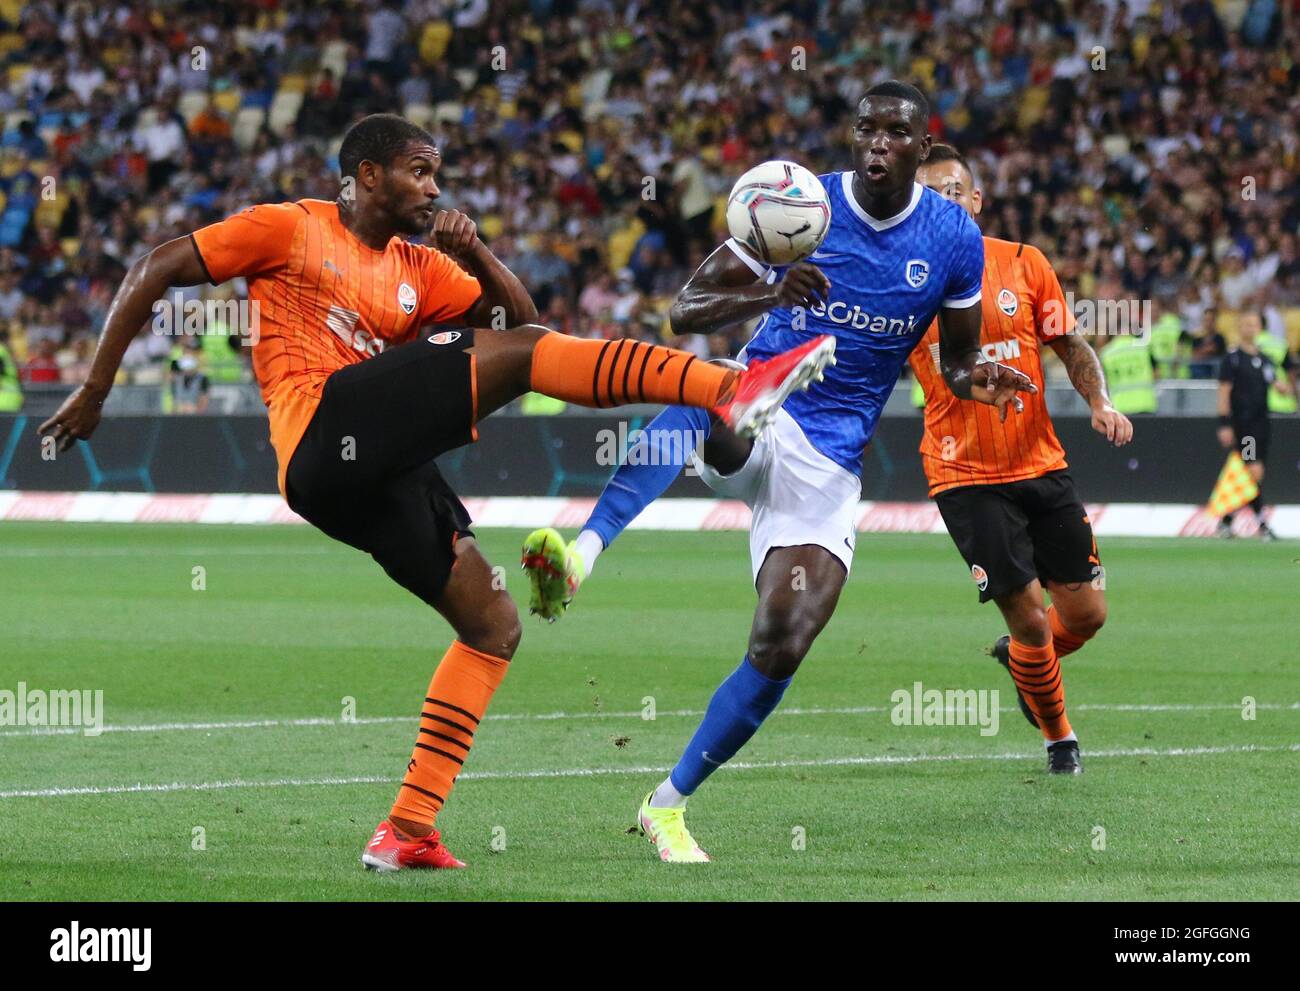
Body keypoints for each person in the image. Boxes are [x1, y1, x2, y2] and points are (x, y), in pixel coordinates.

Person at [37, 113, 837, 873]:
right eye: (419, 173)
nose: (433, 190)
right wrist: (97, 386)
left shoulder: (424, 267)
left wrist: (481, 256)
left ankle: (407, 829)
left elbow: (527, 330)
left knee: (492, 623)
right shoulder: (289, 226)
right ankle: (726, 388)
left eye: (437, 176)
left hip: (371, 475)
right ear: (366, 175)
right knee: (528, 361)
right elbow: (157, 266)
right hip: (321, 429)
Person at [521, 84, 1036, 862]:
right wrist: (770, 288)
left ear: (922, 149)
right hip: (767, 399)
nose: (877, 144)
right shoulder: (799, 205)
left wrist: (978, 379)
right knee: (710, 391)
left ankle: (667, 806)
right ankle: (583, 555)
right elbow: (685, 311)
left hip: (829, 458)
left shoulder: (954, 238)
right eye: (867, 128)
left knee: (783, 639)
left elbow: (958, 358)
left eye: (896, 133)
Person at [907, 144, 1131, 773]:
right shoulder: (907, 279)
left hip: (1040, 462)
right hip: (965, 475)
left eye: (955, 190)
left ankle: (1024, 662)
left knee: (1086, 614)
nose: (945, 201)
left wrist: (1100, 400)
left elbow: (1069, 341)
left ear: (977, 200)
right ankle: (1060, 739)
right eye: (930, 195)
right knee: (1032, 617)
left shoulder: (1025, 264)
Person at [1216, 310, 1292, 540]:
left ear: (1260, 328)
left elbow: (1280, 385)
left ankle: (1227, 519)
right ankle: (1262, 523)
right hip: (1244, 425)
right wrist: (1224, 423)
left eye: (1254, 324)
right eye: (1246, 324)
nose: (1250, 328)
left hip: (1262, 424)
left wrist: (1284, 387)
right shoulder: (1233, 359)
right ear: (1239, 328)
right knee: (1252, 470)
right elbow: (1224, 392)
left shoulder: (1264, 359)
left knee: (1252, 473)